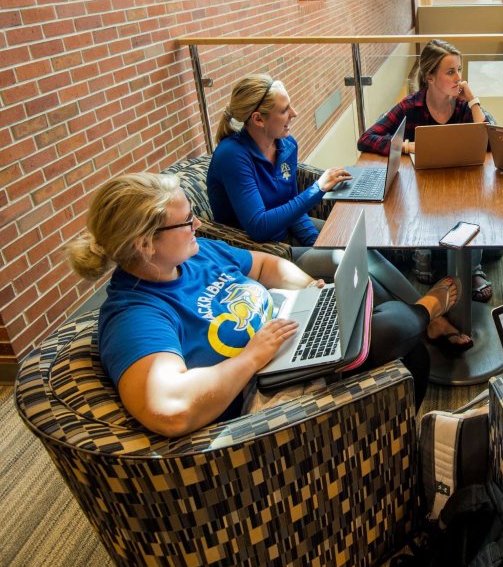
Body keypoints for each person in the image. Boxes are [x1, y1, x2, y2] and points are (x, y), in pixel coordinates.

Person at [66, 173, 462, 436]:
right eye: (186, 221)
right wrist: (252, 358)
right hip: (259, 392)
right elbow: (170, 408)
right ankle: (428, 310)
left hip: (285, 342)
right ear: (144, 243)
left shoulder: (196, 254)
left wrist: (310, 288)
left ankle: (393, 443)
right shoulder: (136, 315)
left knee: (408, 353)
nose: (198, 226)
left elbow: (264, 265)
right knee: (392, 326)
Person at [207, 74, 474, 353]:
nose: (294, 114)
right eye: (284, 110)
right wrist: (317, 190)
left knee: (359, 246)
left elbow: (288, 203)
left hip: (288, 230)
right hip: (262, 249)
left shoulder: (285, 145)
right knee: (353, 262)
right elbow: (259, 227)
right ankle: (424, 318)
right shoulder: (232, 156)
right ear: (258, 119)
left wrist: (315, 240)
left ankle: (415, 317)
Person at [356, 39, 493, 302]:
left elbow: (488, 139)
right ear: (430, 76)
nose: (459, 78)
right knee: (416, 204)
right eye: (450, 72)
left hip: (460, 182)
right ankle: (424, 249)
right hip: (421, 183)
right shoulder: (410, 106)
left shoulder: (463, 106)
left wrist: (473, 100)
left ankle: (473, 268)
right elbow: (367, 138)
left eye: (460, 70)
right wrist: (408, 146)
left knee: (476, 205)